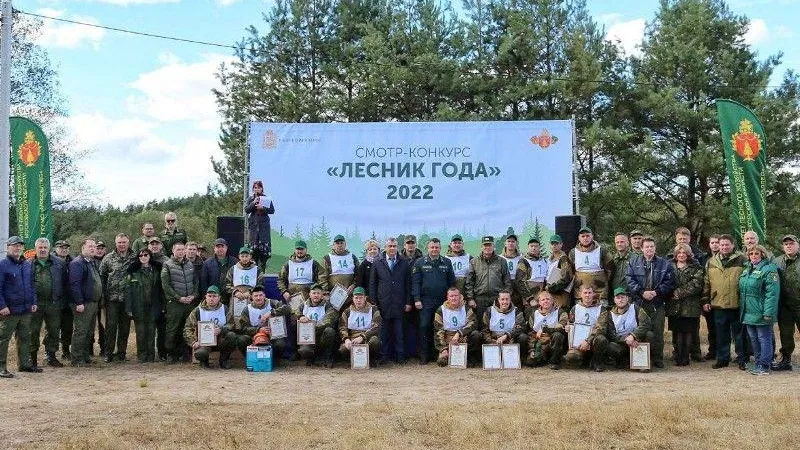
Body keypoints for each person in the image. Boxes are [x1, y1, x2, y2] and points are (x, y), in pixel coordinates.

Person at [625, 236, 675, 368]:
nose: (649, 249)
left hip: (657, 302)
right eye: (646, 247)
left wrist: (656, 292)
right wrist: (642, 292)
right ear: (641, 248)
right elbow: (629, 280)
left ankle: (658, 358)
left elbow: (669, 282)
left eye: (651, 246)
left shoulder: (665, 264)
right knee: (639, 331)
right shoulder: (633, 262)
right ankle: (639, 358)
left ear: (655, 248)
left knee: (658, 332)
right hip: (639, 303)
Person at [703, 234, 748, 370]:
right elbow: (706, 282)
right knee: (721, 335)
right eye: (722, 245)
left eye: (727, 244)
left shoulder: (742, 259)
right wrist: (705, 299)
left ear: (733, 245)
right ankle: (722, 359)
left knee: (739, 335)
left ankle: (742, 359)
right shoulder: (711, 261)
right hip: (718, 304)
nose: (724, 247)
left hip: (737, 303)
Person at [0, 236, 40, 378]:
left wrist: (33, 302)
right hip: (9, 310)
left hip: (25, 309)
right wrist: (2, 306)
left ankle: (24, 365)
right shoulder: (3, 265)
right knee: (3, 339)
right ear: (8, 247)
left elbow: (32, 285)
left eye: (20, 246)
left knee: (24, 337)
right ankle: (1, 367)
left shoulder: (26, 264)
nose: (18, 248)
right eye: (14, 245)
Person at [412, 238, 456, 364]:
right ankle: (424, 355)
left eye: (437, 247)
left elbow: (451, 282)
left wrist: (451, 299)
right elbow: (416, 283)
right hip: (425, 301)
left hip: (443, 301)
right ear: (428, 248)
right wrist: (417, 299)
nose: (434, 249)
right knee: (424, 326)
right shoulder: (419, 262)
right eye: (432, 247)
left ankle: (441, 353)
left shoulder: (446, 262)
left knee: (441, 327)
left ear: (440, 248)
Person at [369, 237, 412, 365]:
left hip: (399, 303)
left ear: (397, 247)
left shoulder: (404, 262)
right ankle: (383, 356)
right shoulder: (377, 263)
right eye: (390, 246)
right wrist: (373, 302)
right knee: (384, 332)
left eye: (394, 246)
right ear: (385, 247)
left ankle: (400, 357)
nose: (392, 248)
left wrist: (408, 302)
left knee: (399, 333)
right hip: (383, 304)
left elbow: (408, 284)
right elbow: (373, 284)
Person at [739, 245, 779, 375]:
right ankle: (758, 364)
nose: (754, 256)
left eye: (757, 253)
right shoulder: (746, 270)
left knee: (764, 338)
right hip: (748, 312)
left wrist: (768, 312)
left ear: (763, 254)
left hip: (762, 312)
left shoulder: (769, 270)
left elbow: (772, 294)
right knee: (754, 339)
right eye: (751, 254)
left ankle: (765, 365)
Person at [29, 238, 68, 368]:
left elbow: (64, 283)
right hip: (35, 304)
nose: (43, 249)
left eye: (45, 247)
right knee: (33, 330)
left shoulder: (59, 263)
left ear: (49, 248)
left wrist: (62, 300)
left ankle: (51, 356)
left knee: (54, 330)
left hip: (54, 303)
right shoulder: (28, 264)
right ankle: (32, 357)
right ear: (36, 248)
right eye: (40, 247)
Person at [595, 287, 653, 370]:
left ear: (627, 298)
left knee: (649, 335)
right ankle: (623, 361)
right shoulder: (609, 314)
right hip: (621, 343)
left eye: (623, 297)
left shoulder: (636, 309)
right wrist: (626, 340)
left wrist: (633, 336)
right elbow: (612, 335)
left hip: (637, 342)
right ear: (614, 300)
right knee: (611, 346)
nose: (620, 300)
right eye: (618, 298)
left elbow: (646, 324)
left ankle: (645, 362)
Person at [99, 233, 134, 362]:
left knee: (125, 328)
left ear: (128, 242)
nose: (122, 245)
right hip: (112, 299)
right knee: (111, 327)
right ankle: (108, 353)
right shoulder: (108, 258)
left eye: (124, 242)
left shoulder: (134, 257)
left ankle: (121, 353)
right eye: (119, 242)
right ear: (115, 243)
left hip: (127, 299)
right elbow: (102, 276)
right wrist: (102, 296)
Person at [161, 242, 199, 363]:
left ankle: (186, 354)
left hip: (189, 303)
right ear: (173, 251)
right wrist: (179, 297)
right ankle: (171, 354)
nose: (181, 252)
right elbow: (166, 286)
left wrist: (193, 295)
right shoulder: (167, 265)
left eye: (183, 249)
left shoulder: (190, 264)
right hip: (175, 303)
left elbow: (195, 282)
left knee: (188, 328)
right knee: (173, 329)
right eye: (178, 250)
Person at [124, 248, 163, 363]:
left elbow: (161, 291)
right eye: (140, 255)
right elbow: (128, 291)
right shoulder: (133, 272)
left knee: (151, 331)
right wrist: (129, 308)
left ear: (150, 256)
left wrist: (162, 306)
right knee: (140, 332)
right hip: (138, 306)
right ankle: (142, 356)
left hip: (153, 306)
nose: (143, 257)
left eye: (146, 255)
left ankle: (151, 356)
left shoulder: (157, 271)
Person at [233, 286, 290, 366]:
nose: (258, 298)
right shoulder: (247, 309)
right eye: (256, 296)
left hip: (272, 333)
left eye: (260, 295)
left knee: (280, 343)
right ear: (252, 297)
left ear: (264, 295)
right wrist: (258, 329)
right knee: (241, 340)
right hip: (255, 334)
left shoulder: (272, 303)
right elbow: (244, 328)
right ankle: (249, 358)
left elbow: (287, 308)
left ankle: (275, 359)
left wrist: (271, 313)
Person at [667, 243, 704, 366]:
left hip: (690, 305)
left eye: (684, 253)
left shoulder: (696, 267)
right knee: (677, 332)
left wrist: (679, 292)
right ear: (675, 255)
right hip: (674, 305)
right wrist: (670, 292)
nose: (681, 255)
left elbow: (697, 284)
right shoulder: (669, 266)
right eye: (679, 253)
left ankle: (686, 357)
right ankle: (678, 356)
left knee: (688, 332)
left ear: (688, 254)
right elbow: (666, 281)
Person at [68, 238, 103, 367]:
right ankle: (76, 359)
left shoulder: (91, 262)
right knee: (81, 331)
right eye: (90, 246)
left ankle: (84, 356)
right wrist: (79, 302)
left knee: (89, 331)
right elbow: (74, 284)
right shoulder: (77, 263)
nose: (93, 248)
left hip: (93, 303)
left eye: (94, 246)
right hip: (83, 304)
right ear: (83, 248)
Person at [183, 285, 237, 369]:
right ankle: (204, 362)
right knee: (200, 353)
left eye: (214, 296)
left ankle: (224, 360)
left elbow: (232, 324)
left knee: (231, 336)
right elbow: (187, 328)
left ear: (219, 297)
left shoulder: (225, 309)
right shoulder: (197, 310)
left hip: (220, 340)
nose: (212, 299)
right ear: (206, 297)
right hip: (204, 343)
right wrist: (193, 342)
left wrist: (221, 330)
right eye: (209, 296)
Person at [465, 236, 511, 330]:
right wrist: (470, 298)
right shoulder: (474, 261)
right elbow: (469, 282)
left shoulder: (502, 261)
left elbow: (507, 281)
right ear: (481, 247)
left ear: (493, 246)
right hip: (480, 299)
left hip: (497, 299)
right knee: (481, 327)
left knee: (496, 326)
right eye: (485, 245)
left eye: (489, 245)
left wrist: (505, 298)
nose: (487, 247)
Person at [434, 287, 482, 367]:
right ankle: (447, 354)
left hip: (463, 337)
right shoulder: (441, 310)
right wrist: (443, 348)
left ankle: (468, 357)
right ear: (447, 297)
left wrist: (459, 333)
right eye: (451, 296)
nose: (454, 298)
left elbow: (472, 323)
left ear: (460, 296)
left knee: (476, 335)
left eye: (456, 296)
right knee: (442, 362)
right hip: (448, 339)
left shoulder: (466, 308)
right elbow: (438, 331)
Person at [772, 234, 800, 371]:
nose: (788, 246)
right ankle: (786, 359)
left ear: (797, 245)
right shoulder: (776, 262)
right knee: (786, 333)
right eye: (786, 244)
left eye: (791, 243)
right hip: (784, 305)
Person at [563, 285, 607, 371]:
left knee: (601, 339)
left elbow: (601, 328)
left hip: (593, 340)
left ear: (593, 294)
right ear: (580, 294)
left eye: (590, 293)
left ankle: (596, 362)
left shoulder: (601, 309)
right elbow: (570, 323)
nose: (587, 295)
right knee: (571, 358)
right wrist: (568, 327)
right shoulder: (575, 308)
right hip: (578, 342)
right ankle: (584, 359)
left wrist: (588, 340)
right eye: (585, 293)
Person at [295, 284, 338, 367]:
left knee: (329, 331)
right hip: (308, 336)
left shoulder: (328, 305)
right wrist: (301, 317)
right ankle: (311, 358)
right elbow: (296, 312)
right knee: (304, 350)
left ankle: (327, 357)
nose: (316, 295)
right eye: (314, 293)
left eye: (318, 293)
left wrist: (313, 326)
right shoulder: (304, 305)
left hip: (322, 336)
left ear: (322, 295)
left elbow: (329, 319)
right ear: (310, 295)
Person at [338, 287, 382, 367]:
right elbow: (342, 327)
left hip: (367, 338)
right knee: (343, 349)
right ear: (352, 299)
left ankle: (371, 360)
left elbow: (376, 327)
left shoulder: (373, 309)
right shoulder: (347, 311)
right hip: (352, 339)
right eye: (356, 298)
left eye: (361, 298)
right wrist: (346, 339)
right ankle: (351, 361)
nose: (358, 300)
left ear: (365, 298)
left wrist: (362, 337)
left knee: (375, 341)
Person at [569, 227, 612, 305]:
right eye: (583, 236)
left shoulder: (602, 250)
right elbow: (570, 271)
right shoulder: (573, 252)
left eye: (588, 236)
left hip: (599, 292)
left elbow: (610, 268)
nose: (585, 238)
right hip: (580, 293)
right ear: (579, 238)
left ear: (592, 236)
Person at [278, 240, 324, 307]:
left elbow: (322, 277)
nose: (300, 251)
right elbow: (280, 280)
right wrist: (284, 292)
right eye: (298, 249)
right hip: (292, 298)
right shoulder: (288, 264)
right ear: (294, 250)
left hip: (310, 299)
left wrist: (319, 293)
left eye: (302, 249)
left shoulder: (313, 263)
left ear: (306, 250)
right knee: (294, 316)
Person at [224, 246, 265, 321]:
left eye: (246, 256)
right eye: (242, 256)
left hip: (252, 298)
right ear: (239, 257)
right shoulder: (233, 269)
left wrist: (250, 292)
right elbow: (227, 285)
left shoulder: (257, 269)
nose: (244, 258)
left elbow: (261, 285)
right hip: (236, 298)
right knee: (236, 319)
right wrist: (235, 292)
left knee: (251, 318)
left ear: (250, 256)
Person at [322, 234, 359, 309]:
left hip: (350, 295)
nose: (339, 245)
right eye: (337, 243)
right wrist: (326, 292)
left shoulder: (352, 257)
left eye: (342, 243)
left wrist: (354, 284)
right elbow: (322, 277)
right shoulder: (327, 258)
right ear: (333, 245)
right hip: (333, 295)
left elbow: (359, 274)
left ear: (345, 244)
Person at [245, 180, 275, 267]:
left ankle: (263, 270)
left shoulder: (266, 198)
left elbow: (272, 210)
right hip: (254, 230)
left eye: (258, 187)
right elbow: (246, 210)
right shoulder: (250, 199)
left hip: (263, 230)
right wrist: (253, 202)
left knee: (263, 255)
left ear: (262, 189)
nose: (256, 189)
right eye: (255, 188)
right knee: (253, 255)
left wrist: (263, 208)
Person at [148, 237, 168, 360]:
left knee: (162, 328)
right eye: (152, 244)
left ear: (161, 246)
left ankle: (162, 353)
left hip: (162, 297)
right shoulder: (144, 258)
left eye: (157, 244)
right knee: (149, 328)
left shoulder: (166, 261)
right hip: (147, 298)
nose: (154, 246)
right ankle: (149, 354)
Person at [514, 237, 548, 311]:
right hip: (529, 297)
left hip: (542, 297)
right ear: (528, 247)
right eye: (531, 246)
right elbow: (520, 281)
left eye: (536, 246)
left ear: (539, 247)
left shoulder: (544, 261)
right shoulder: (524, 261)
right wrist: (529, 299)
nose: (534, 248)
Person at [53, 240, 74, 361]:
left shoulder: (73, 261)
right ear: (56, 249)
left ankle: (66, 350)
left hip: (68, 300)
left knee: (68, 328)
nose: (64, 249)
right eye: (61, 247)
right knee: (53, 328)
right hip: (55, 300)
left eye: (66, 247)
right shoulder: (51, 261)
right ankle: (50, 352)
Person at [544, 234, 573, 311]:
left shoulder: (564, 259)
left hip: (560, 293)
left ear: (561, 244)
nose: (554, 246)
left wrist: (552, 288)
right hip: (550, 291)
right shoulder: (548, 260)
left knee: (560, 313)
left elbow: (566, 278)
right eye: (552, 244)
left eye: (556, 244)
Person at [608, 232, 634, 303]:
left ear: (628, 243)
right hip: (614, 295)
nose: (619, 244)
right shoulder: (611, 259)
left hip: (630, 296)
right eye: (617, 242)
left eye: (622, 242)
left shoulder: (635, 258)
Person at [92, 239, 107, 356]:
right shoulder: (89, 261)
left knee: (103, 325)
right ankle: (88, 349)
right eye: (97, 248)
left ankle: (104, 348)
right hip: (91, 299)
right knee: (89, 325)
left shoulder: (108, 260)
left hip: (105, 299)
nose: (99, 250)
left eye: (101, 248)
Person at [500, 235, 523, 308]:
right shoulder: (499, 258)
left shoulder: (521, 258)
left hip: (518, 286)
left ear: (516, 243)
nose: (511, 243)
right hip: (504, 285)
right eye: (509, 241)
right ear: (505, 244)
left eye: (513, 241)